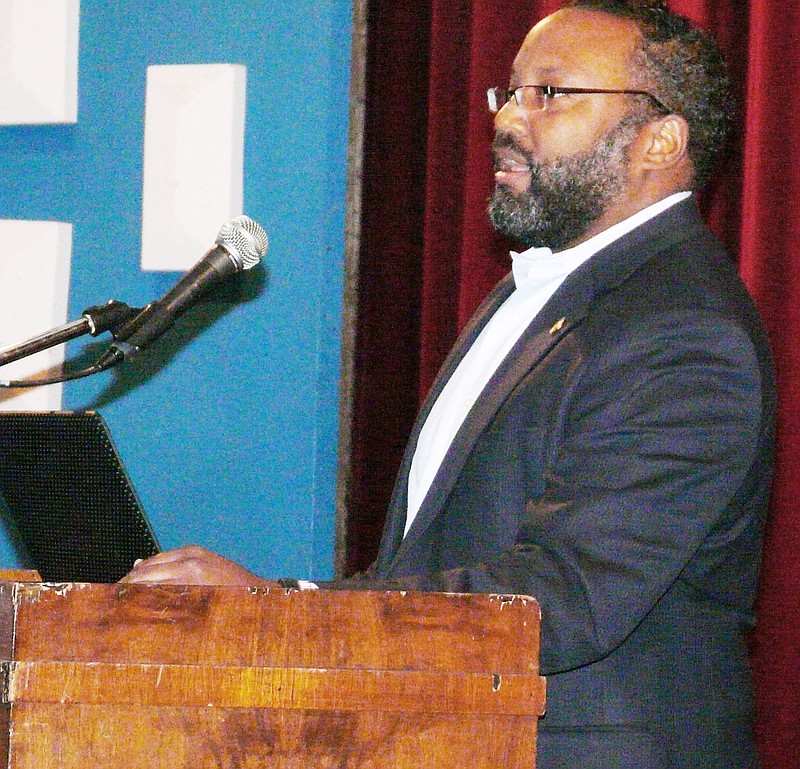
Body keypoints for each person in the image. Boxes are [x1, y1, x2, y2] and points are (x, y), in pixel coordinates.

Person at [123, 1, 776, 767]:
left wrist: (282, 609)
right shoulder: (533, 292)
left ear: (660, 140)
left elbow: (560, 597)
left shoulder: (681, 330)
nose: (508, 119)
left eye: (551, 94)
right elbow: (425, 566)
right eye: (511, 91)